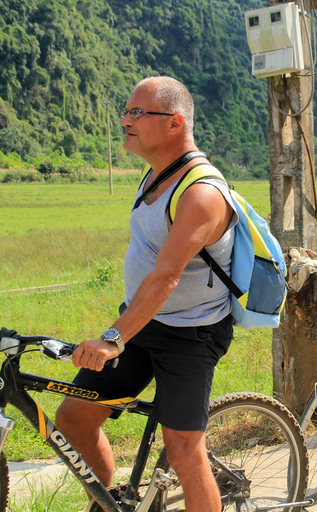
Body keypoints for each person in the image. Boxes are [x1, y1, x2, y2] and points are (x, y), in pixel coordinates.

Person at [55, 76, 238, 511]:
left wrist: (113, 338)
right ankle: (104, 506)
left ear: (175, 123)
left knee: (182, 449)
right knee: (75, 420)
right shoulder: (154, 174)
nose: (126, 121)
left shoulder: (201, 193)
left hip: (191, 334)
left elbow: (166, 276)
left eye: (138, 113)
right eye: (127, 110)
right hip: (144, 322)